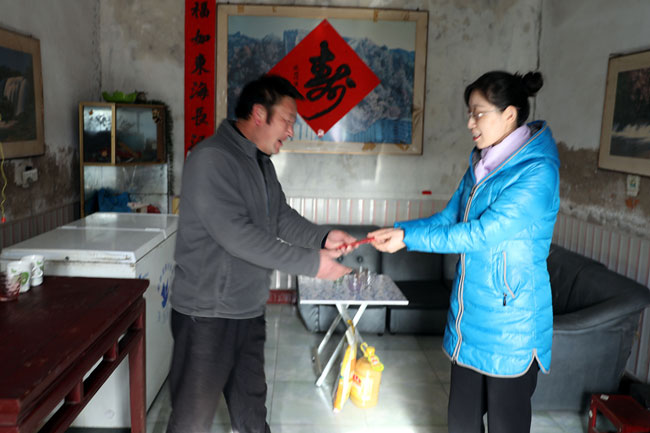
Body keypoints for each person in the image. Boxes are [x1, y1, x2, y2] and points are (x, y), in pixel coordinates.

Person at [370, 71, 560, 433]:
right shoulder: (481, 165)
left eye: (478, 113)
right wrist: (402, 231)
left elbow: (482, 234)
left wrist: (410, 239)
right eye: (469, 113)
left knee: (506, 425)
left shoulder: (537, 172)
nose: (470, 123)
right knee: (461, 422)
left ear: (509, 114)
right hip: (470, 317)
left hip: (511, 325)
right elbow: (449, 218)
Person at [166, 74, 355, 433]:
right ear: (258, 114)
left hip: (248, 310)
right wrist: (312, 264)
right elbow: (238, 237)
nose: (291, 131)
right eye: (287, 121)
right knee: (191, 420)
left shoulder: (261, 162)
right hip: (206, 316)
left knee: (251, 413)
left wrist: (323, 237)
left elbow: (279, 216)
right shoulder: (211, 159)